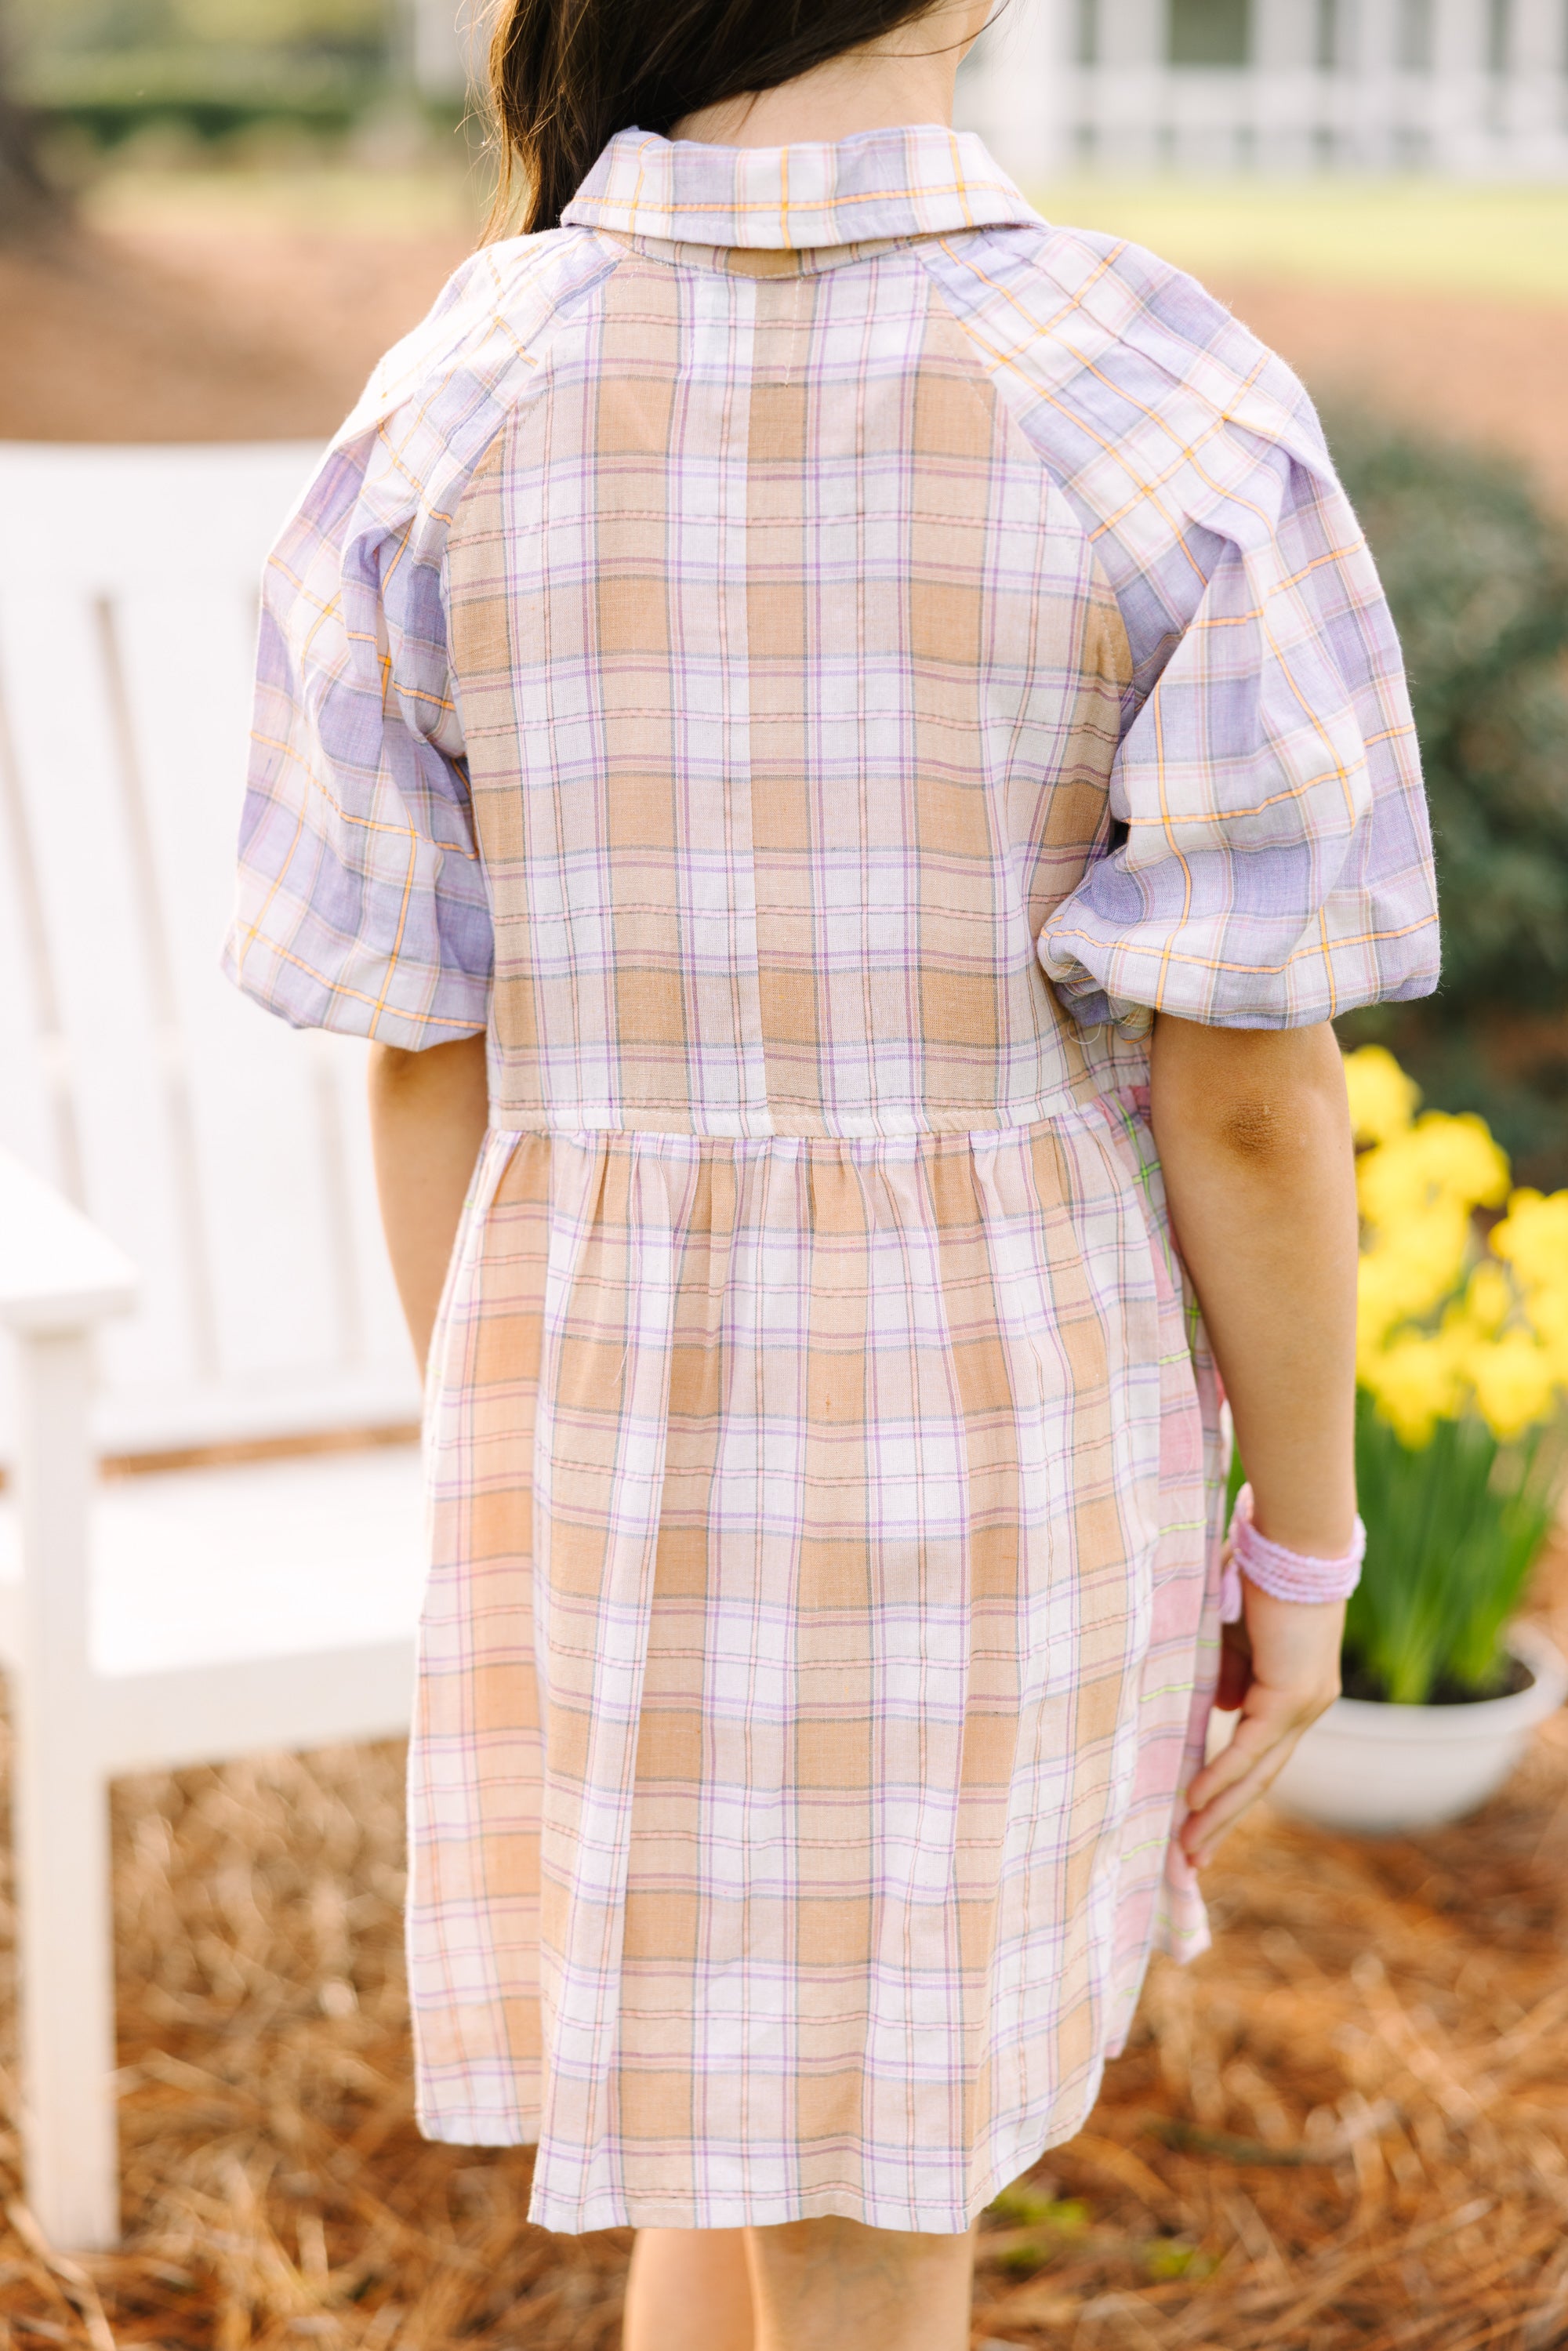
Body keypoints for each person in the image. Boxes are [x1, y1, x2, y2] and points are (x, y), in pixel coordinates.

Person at [226, 0, 1439, 2341]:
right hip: (1000, 1425)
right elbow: (1253, 1090)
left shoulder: (446, 401)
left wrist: (512, 1449)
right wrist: (1305, 1535)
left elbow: (414, 1054)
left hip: (593, 1417)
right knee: (878, 2192)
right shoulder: (1149, 389)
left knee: (739, 2100)